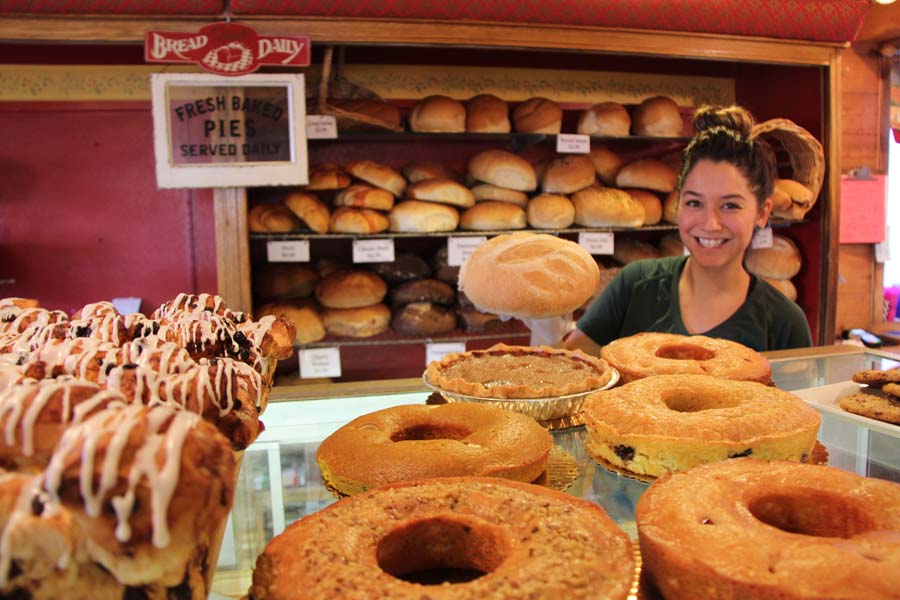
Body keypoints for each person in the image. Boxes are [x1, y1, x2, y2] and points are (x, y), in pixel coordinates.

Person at [565, 104, 813, 355]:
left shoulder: (784, 322)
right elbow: (573, 368)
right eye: (694, 203)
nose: (709, 224)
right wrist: (546, 325)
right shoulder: (636, 285)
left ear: (762, 213)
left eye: (730, 205)